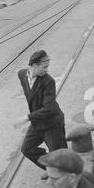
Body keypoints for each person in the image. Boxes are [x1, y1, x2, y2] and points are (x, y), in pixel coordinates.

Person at [14, 50, 67, 180]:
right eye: (44, 67)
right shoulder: (22, 75)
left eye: (47, 66)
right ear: (33, 66)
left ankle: (65, 177)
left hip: (52, 122)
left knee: (59, 154)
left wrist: (27, 118)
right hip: (37, 122)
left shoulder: (48, 81)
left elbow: (49, 108)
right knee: (27, 148)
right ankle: (51, 168)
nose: (47, 70)